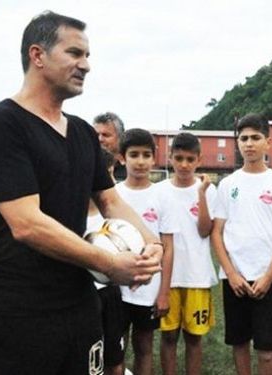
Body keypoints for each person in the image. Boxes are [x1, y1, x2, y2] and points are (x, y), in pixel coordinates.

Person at [0, 11, 163, 375]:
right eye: (74, 53)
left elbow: (110, 201)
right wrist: (108, 264)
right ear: (37, 55)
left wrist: (152, 245)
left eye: (87, 56)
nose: (85, 65)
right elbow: (26, 223)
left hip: (81, 301)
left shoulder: (83, 133)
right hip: (21, 310)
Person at [212, 113, 272, 375]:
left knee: (267, 350)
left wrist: (269, 276)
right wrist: (231, 274)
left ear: (268, 142)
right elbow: (217, 233)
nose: (249, 143)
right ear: (237, 142)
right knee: (239, 343)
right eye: (243, 138)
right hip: (235, 278)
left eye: (255, 138)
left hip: (266, 277)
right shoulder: (228, 184)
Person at [115, 128, 178, 375]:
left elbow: (168, 247)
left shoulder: (163, 196)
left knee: (143, 347)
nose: (140, 161)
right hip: (116, 287)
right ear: (122, 158)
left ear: (154, 158)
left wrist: (164, 292)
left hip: (148, 290)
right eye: (133, 155)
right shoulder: (113, 195)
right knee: (115, 348)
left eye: (145, 155)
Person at [157, 133, 218, 375]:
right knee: (168, 337)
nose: (184, 164)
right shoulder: (159, 190)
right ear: (169, 157)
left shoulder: (207, 190)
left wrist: (201, 194)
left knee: (194, 339)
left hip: (197, 276)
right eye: (179, 158)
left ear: (199, 160)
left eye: (189, 159)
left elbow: (205, 231)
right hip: (167, 277)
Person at [86, 147, 126, 375]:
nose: (108, 180)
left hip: (110, 293)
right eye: (102, 174)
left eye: (111, 174)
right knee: (89, 361)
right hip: (83, 296)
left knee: (114, 358)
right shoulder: (68, 214)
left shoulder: (115, 216)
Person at [94, 112, 126, 180]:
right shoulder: (85, 169)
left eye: (106, 135)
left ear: (120, 137)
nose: (100, 139)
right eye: (96, 135)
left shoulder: (131, 171)